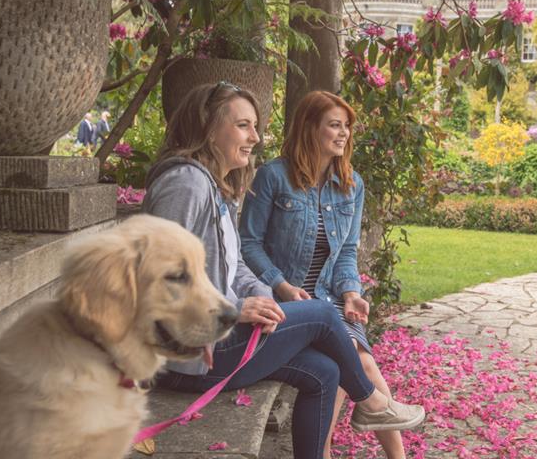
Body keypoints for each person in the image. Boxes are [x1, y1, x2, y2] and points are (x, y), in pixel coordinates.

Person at [142, 82, 424, 459]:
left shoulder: (212, 186)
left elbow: (235, 261)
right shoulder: (187, 184)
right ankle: (372, 402)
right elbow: (155, 279)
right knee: (325, 315)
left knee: (325, 372)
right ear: (209, 127)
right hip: (187, 354)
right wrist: (235, 306)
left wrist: (257, 292)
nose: (255, 138)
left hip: (211, 336)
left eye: (254, 127)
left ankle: (369, 408)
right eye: (244, 126)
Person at [239, 91, 407, 459]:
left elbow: (346, 252)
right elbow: (248, 244)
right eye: (334, 124)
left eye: (347, 126)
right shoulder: (273, 177)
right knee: (350, 362)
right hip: (284, 302)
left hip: (330, 301)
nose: (344, 133)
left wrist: (350, 292)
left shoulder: (351, 184)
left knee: (353, 359)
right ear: (309, 127)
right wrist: (282, 285)